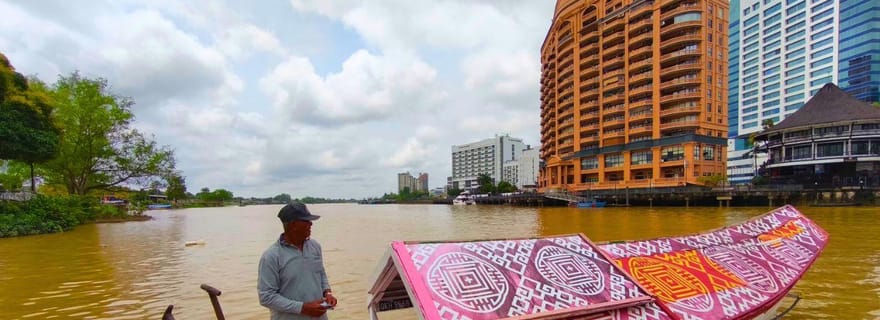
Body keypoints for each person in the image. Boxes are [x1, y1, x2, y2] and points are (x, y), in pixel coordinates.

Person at [259, 202, 337, 319]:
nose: (311, 224)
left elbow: (320, 273)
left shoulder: (315, 246)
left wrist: (327, 292)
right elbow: (266, 297)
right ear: (293, 224)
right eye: (306, 221)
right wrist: (302, 308)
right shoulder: (271, 256)